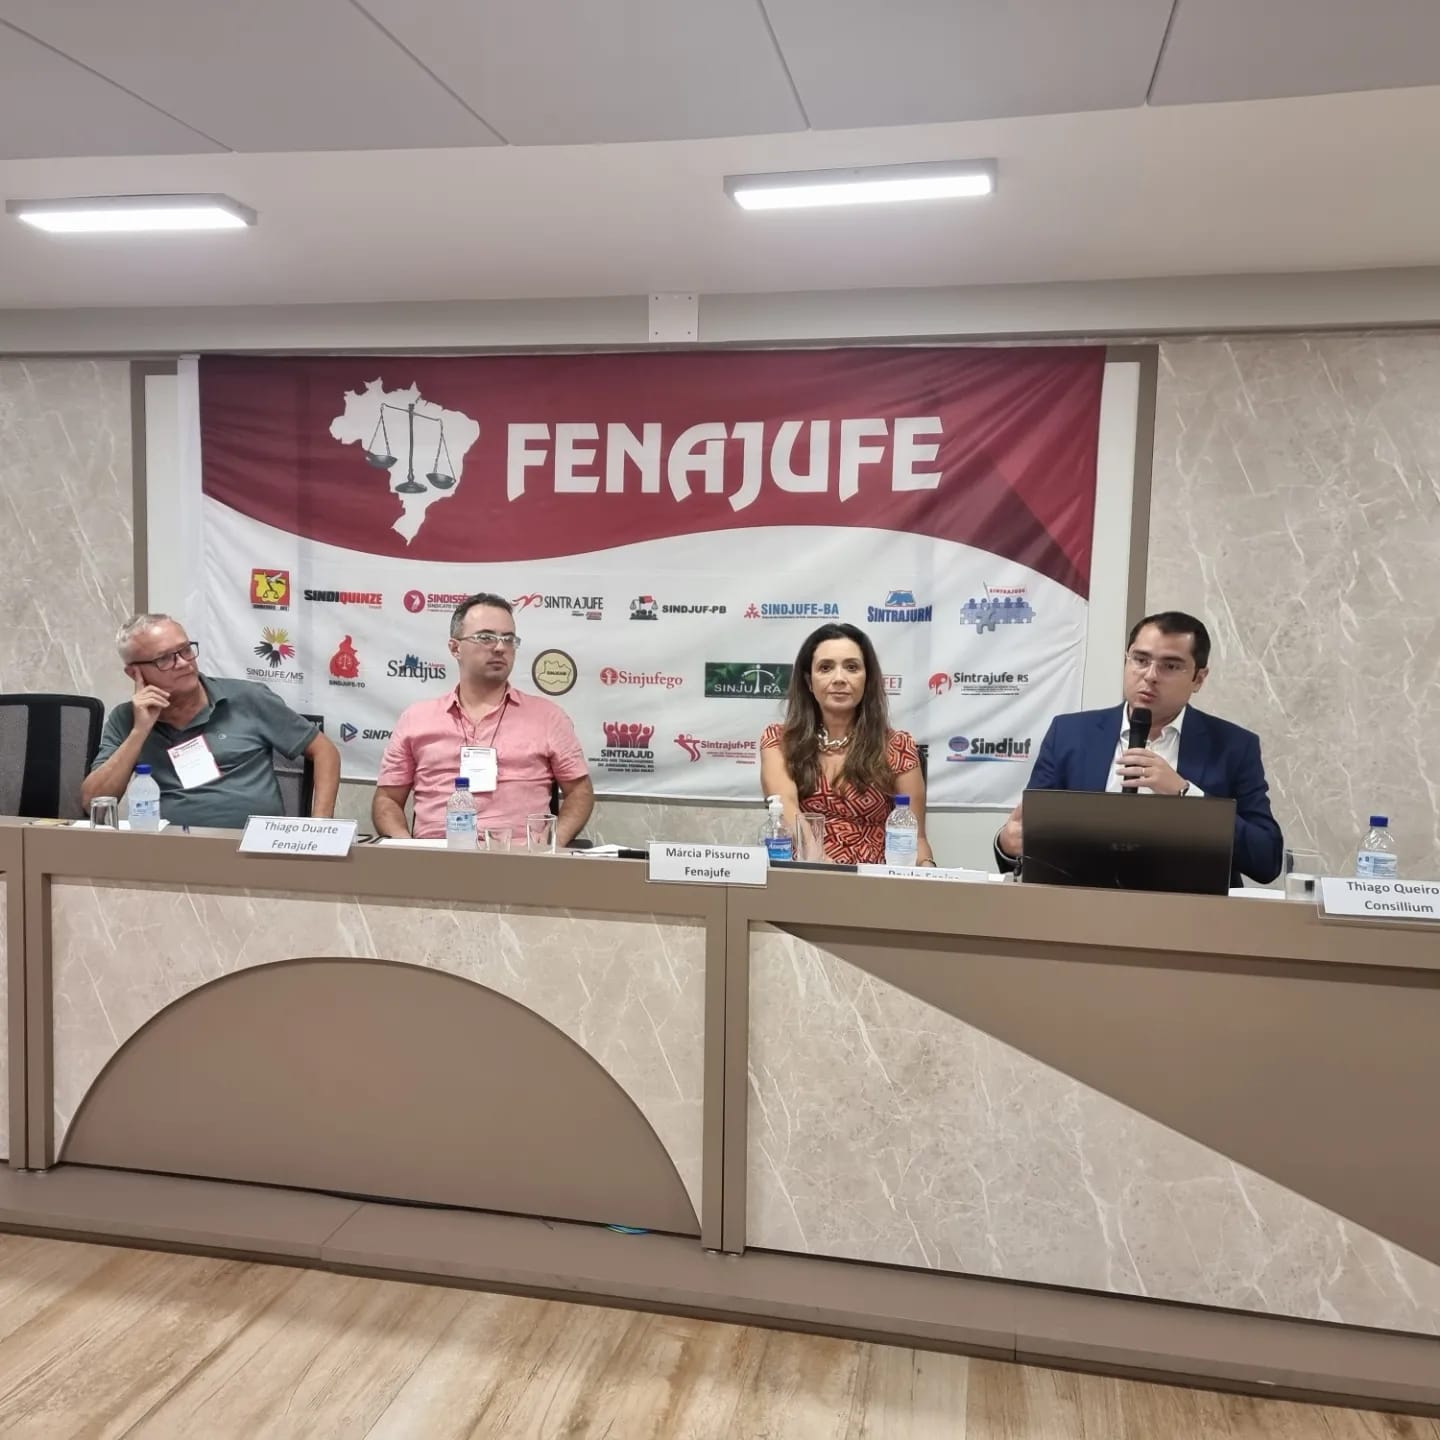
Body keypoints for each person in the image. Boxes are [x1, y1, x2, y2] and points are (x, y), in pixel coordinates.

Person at [995, 611, 1282, 886]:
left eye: (1170, 666)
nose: (1150, 675)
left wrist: (1186, 795)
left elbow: (1266, 859)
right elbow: (1030, 835)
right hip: (1083, 908)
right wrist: (1007, 844)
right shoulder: (1069, 734)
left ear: (1198, 679)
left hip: (1190, 913)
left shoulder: (1233, 746)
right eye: (1141, 660)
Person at [373, 591, 595, 842]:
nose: (500, 647)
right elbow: (388, 799)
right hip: (435, 856)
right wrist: (406, 848)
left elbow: (580, 792)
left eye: (508, 639)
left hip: (519, 857)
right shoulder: (416, 719)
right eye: (485, 637)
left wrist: (550, 845)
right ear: (455, 648)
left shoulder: (548, 718)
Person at [82, 614, 340, 828]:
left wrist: (319, 827)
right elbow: (93, 800)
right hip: (169, 851)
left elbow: (324, 750)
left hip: (253, 848)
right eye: (164, 659)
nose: (183, 663)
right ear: (134, 673)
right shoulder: (126, 719)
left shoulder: (248, 698)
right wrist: (140, 732)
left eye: (185, 650)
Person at [760, 622, 935, 866]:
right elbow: (786, 805)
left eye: (852, 667)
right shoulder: (779, 741)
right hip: (805, 873)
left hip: (876, 881)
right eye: (826, 668)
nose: (839, 679)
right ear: (809, 682)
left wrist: (929, 871)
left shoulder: (898, 746)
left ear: (867, 679)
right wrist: (824, 866)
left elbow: (916, 839)